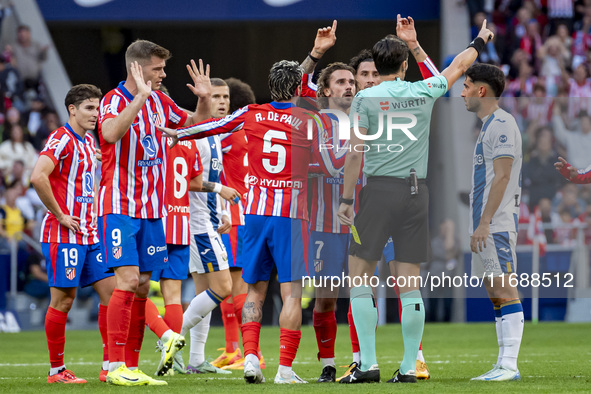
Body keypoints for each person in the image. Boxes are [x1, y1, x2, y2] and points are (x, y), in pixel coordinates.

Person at [161, 60, 341, 384]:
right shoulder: (309, 117)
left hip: (255, 215)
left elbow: (213, 126)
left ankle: (249, 359)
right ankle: (285, 370)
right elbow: (330, 160)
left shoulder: (252, 113)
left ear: (271, 86)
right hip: (291, 214)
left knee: (253, 292)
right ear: (298, 88)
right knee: (291, 295)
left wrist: (179, 133)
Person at [337, 16, 494, 383]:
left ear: (376, 68)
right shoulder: (424, 90)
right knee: (409, 283)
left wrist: (347, 199)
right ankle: (409, 366)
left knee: (359, 276)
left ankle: (368, 365)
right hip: (415, 192)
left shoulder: (365, 97)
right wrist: (481, 37)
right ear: (405, 65)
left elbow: (355, 153)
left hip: (377, 191)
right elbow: (459, 64)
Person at [97, 39, 211, 386]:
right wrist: (139, 100)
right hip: (118, 206)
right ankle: (113, 365)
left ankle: (130, 366)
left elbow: (195, 125)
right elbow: (110, 132)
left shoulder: (161, 101)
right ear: (137, 67)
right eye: (157, 68)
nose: (163, 74)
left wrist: (204, 99)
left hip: (151, 210)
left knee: (144, 287)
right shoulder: (113, 100)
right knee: (128, 280)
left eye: (163, 68)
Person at [30, 84, 116, 384]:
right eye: (90, 108)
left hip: (91, 234)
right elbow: (37, 175)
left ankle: (110, 366)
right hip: (63, 234)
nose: (96, 113)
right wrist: (60, 214)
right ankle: (57, 371)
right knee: (63, 301)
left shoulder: (89, 142)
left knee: (113, 293)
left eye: (98, 107)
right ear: (72, 109)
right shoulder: (61, 139)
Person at [462, 63, 524, 381]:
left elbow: (502, 177)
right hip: (487, 224)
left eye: (467, 85)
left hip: (496, 223)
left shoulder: (501, 124)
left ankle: (509, 365)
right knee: (494, 291)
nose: (462, 92)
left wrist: (485, 222)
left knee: (505, 288)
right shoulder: (489, 125)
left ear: (481, 90)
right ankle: (502, 363)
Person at [180, 78, 240, 375]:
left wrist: (225, 209)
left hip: (211, 221)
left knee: (204, 292)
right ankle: (171, 337)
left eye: (225, 96)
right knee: (223, 288)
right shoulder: (194, 134)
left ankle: (194, 361)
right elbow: (186, 181)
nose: (222, 101)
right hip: (198, 224)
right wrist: (219, 191)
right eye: (215, 96)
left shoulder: (216, 133)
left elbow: (214, 177)